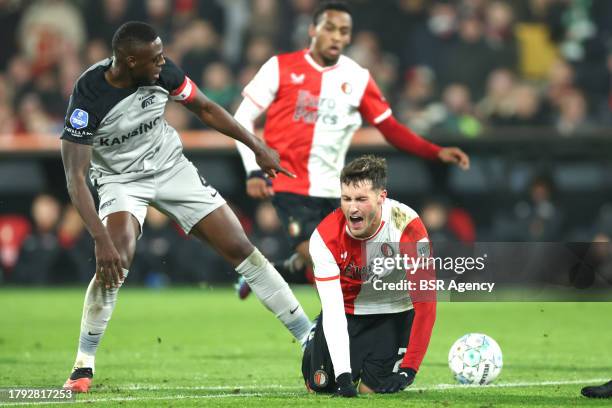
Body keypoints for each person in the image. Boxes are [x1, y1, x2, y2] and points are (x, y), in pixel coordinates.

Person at [60, 21, 313, 393]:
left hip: (170, 166)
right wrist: (99, 237)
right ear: (130, 61)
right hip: (119, 180)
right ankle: (83, 365)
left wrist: (256, 146)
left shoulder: (163, 72)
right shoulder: (88, 95)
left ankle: (309, 338)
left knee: (240, 247)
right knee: (118, 256)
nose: (163, 63)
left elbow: (206, 109)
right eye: (155, 58)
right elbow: (74, 177)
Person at [234, 0, 469, 298]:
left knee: (347, 267)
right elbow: (241, 118)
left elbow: (390, 128)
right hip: (289, 184)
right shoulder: (280, 67)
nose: (337, 36)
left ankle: (273, 274)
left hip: (335, 190)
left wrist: (434, 151)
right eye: (329, 28)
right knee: (326, 264)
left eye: (344, 31)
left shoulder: (357, 77)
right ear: (312, 30)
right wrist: (253, 169)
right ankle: (323, 334)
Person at [301, 155, 436, 396]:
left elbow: (426, 302)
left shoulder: (408, 227)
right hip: (348, 313)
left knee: (371, 391)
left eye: (361, 199)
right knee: (320, 387)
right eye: (346, 199)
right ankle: (316, 339)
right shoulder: (324, 238)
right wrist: (342, 377)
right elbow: (333, 309)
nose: (352, 207)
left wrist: (409, 368)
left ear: (381, 197)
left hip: (394, 313)